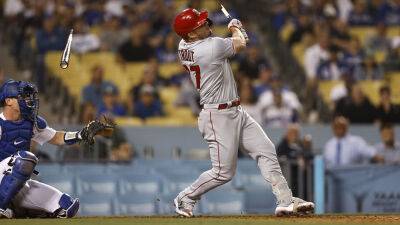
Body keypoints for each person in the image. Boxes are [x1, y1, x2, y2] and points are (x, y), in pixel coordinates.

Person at [172, 8, 314, 217]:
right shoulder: (210, 48)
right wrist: (236, 28)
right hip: (217, 115)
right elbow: (239, 43)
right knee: (223, 173)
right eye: (201, 25)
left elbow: (233, 43)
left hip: (235, 110)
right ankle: (185, 198)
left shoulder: (184, 45)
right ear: (191, 34)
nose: (207, 25)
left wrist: (236, 33)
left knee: (265, 149)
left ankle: (285, 200)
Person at [0, 79, 111, 218]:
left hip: (16, 184)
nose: (28, 100)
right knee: (25, 159)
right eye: (23, 96)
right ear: (9, 101)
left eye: (29, 96)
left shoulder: (30, 122)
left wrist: (80, 134)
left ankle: (16, 210)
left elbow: (56, 137)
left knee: (67, 206)